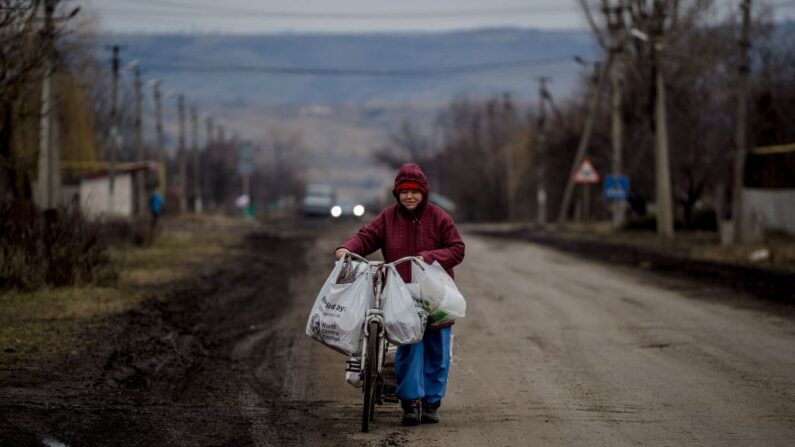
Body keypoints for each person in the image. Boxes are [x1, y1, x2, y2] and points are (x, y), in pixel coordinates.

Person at [335, 163, 465, 426]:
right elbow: (366, 237)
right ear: (397, 193)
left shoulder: (438, 217)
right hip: (401, 294)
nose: (409, 196)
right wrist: (345, 250)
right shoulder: (387, 218)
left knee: (437, 349)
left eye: (415, 192)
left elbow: (457, 249)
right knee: (408, 346)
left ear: (423, 193)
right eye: (404, 191)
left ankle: (431, 402)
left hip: (436, 295)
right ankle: (410, 403)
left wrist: (430, 257)